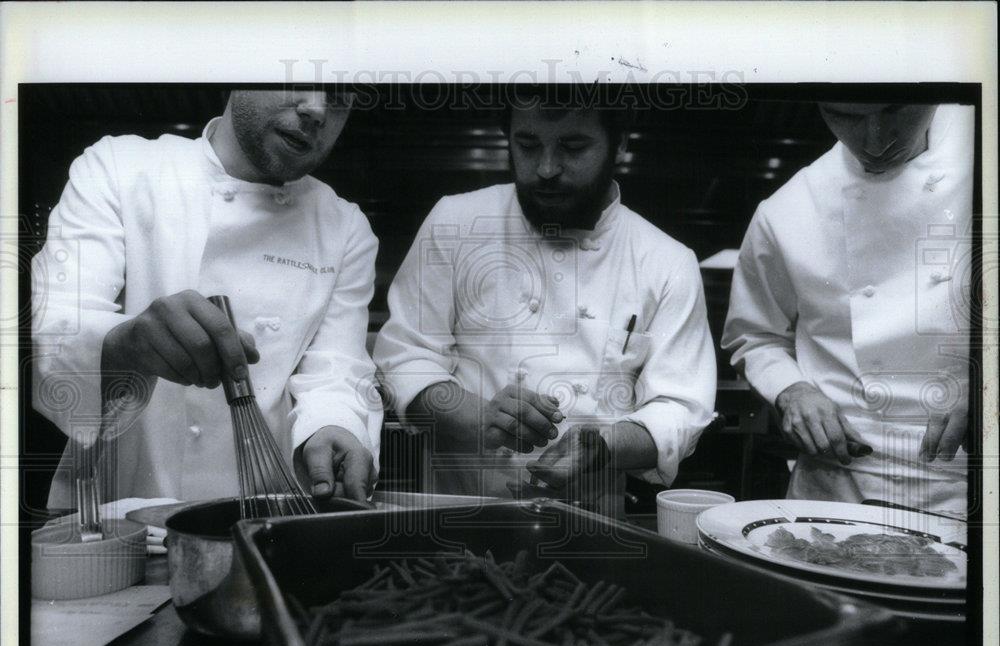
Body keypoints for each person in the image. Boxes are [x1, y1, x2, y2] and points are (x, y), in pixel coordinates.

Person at [374, 86, 716, 516]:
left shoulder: (667, 262)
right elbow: (405, 357)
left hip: (589, 524)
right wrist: (479, 417)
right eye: (527, 145)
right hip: (458, 512)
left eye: (573, 147)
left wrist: (605, 446)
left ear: (620, 144)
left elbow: (680, 409)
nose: (547, 168)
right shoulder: (455, 222)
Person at [32, 89, 382, 507]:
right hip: (119, 516)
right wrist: (128, 343)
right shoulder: (119, 168)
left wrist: (334, 425)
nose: (318, 110)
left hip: (267, 514)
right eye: (297, 78)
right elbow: (52, 329)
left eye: (340, 98)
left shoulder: (346, 227)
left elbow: (336, 371)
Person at [722, 102, 973, 517]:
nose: (876, 141)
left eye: (895, 111)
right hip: (837, 482)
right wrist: (792, 390)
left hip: (972, 482)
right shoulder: (787, 210)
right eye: (847, 117)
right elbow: (755, 336)